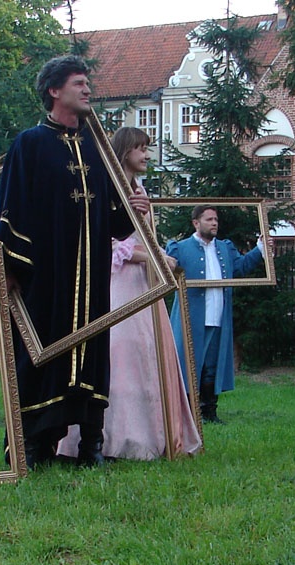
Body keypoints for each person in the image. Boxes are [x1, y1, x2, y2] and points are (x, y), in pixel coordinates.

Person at [0, 56, 150, 469]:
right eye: (79, 83)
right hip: (47, 276)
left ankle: (90, 447)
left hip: (92, 278)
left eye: (87, 83)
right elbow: (10, 210)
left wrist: (134, 207)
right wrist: (12, 266)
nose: (87, 89)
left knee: (92, 355)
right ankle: (31, 446)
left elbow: (116, 224)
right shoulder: (29, 144)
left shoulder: (97, 150)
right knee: (43, 353)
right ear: (54, 90)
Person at [57, 127, 202, 460]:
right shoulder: (110, 190)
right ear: (125, 152)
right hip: (118, 282)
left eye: (148, 149)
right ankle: (112, 439)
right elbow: (106, 243)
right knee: (120, 353)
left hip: (145, 282)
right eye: (141, 149)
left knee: (149, 354)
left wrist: (157, 257)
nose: (146, 155)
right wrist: (150, 256)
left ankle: (150, 435)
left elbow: (145, 237)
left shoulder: (141, 189)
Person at [166, 205, 266, 424]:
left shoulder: (224, 248)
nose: (214, 223)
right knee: (190, 364)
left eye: (216, 220)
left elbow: (239, 269)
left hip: (218, 315)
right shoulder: (179, 249)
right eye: (209, 219)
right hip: (190, 317)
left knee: (212, 365)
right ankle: (189, 415)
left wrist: (260, 249)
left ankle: (209, 412)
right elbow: (168, 277)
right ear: (196, 223)